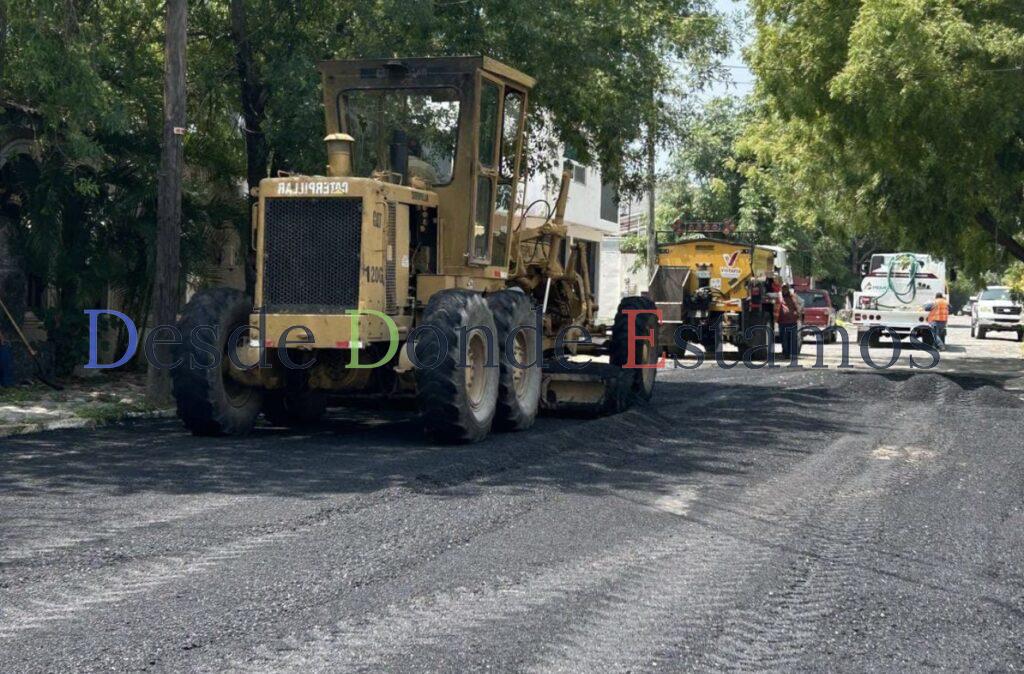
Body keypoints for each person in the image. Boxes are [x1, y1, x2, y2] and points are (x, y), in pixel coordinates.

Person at [776, 284, 802, 360]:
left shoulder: (793, 297)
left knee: (792, 339)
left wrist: (798, 315)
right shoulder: (780, 298)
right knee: (785, 339)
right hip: (783, 322)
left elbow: (799, 306)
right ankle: (787, 354)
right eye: (783, 288)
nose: (785, 290)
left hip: (791, 322)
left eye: (785, 288)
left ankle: (792, 354)